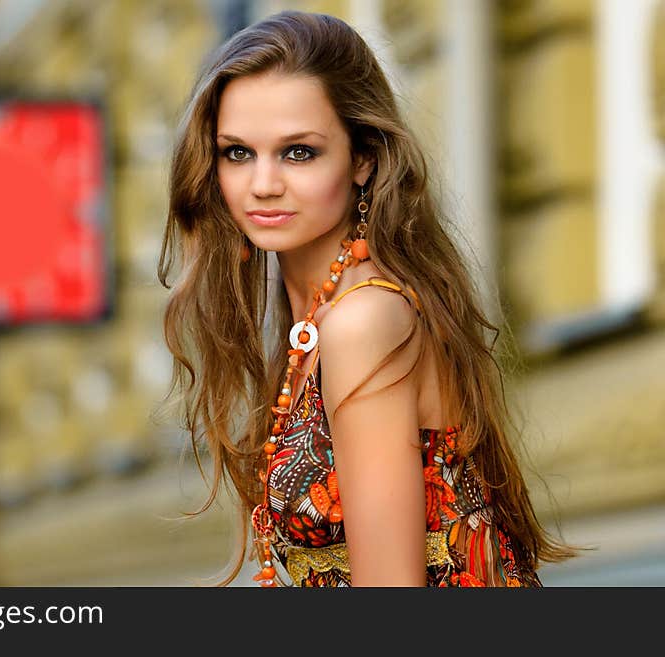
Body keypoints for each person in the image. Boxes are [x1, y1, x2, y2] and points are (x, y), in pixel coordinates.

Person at [157, 10, 575, 587]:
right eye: (237, 152)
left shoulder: (363, 321)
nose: (263, 183)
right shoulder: (321, 320)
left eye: (298, 151)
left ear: (363, 159)